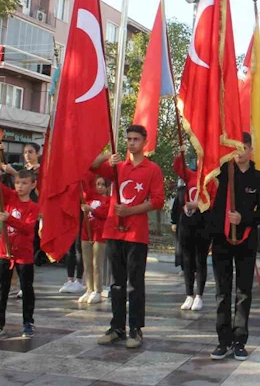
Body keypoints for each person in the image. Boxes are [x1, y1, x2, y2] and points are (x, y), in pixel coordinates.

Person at [92, 124, 165, 350]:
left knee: (135, 284)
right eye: (129, 139)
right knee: (116, 283)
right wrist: (107, 156)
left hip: (136, 234)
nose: (131, 142)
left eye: (136, 139)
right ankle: (116, 327)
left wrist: (131, 211)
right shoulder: (118, 167)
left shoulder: (152, 169)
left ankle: (135, 328)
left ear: (144, 142)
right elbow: (92, 166)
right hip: (114, 231)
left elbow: (158, 200)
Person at [209, 132, 260, 361]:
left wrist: (243, 218)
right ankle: (222, 341)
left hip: (246, 241)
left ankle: (240, 340)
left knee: (243, 292)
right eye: (237, 147)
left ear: (250, 150)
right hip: (221, 240)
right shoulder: (222, 173)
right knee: (222, 293)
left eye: (244, 147)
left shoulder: (259, 178)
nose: (240, 152)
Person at [0, 169, 39, 339]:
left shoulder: (33, 207)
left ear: (33, 185)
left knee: (27, 289)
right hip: (5, 253)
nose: (20, 186)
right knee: (2, 289)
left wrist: (9, 219)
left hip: (24, 254)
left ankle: (28, 322)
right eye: (17, 183)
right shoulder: (10, 196)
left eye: (24, 183)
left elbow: (28, 228)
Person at [173, 151, 211, 313]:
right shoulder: (189, 177)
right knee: (187, 260)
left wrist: (199, 206)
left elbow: (213, 202)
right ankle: (188, 294)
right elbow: (178, 167)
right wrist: (180, 153)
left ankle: (199, 296)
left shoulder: (210, 180)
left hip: (203, 225)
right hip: (186, 225)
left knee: (200, 260)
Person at [79, 174, 109, 305]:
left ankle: (98, 290)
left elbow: (104, 214)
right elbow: (84, 185)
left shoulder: (109, 200)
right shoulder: (90, 197)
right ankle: (89, 288)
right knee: (87, 263)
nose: (100, 187)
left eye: (103, 184)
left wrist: (91, 209)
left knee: (97, 264)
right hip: (86, 233)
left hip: (99, 234)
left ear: (107, 187)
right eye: (98, 184)